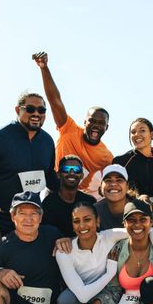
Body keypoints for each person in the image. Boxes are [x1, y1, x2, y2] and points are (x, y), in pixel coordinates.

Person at [0, 92, 59, 235]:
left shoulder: (47, 141)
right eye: (30, 109)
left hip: (32, 221)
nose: (36, 113)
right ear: (18, 110)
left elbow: (49, 177)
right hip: (0, 222)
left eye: (41, 110)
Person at [33, 51, 112, 196]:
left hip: (79, 195)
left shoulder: (106, 156)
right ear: (84, 122)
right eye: (92, 121)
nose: (96, 126)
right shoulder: (69, 129)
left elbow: (111, 183)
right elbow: (55, 100)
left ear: (106, 128)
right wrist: (44, 69)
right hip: (54, 188)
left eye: (101, 123)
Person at [94, 164, 153, 231]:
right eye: (108, 180)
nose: (113, 184)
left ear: (127, 186)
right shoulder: (94, 211)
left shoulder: (142, 208)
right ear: (101, 187)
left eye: (119, 180)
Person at [112, 118, 153, 200]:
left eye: (142, 130)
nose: (137, 134)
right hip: (131, 208)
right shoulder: (120, 161)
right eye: (133, 132)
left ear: (152, 135)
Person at [42, 155, 96, 237]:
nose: (71, 173)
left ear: (82, 175)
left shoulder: (90, 202)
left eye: (76, 170)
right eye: (66, 169)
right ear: (58, 174)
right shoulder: (48, 204)